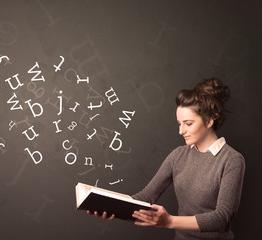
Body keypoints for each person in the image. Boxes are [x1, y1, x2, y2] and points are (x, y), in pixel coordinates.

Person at [87, 78, 245, 239]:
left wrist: (169, 222)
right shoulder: (178, 155)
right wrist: (111, 207)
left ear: (209, 120)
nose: (181, 131)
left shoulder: (232, 160)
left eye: (188, 123)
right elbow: (146, 197)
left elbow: (222, 219)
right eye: (179, 124)